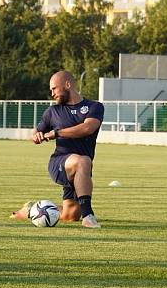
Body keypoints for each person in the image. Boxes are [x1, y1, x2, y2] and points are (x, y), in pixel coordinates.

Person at [12, 71, 104, 228]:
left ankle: (31, 210)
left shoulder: (94, 107)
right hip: (60, 162)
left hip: (80, 170)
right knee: (83, 160)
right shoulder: (52, 111)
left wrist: (57, 133)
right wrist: (36, 136)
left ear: (68, 85)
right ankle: (88, 216)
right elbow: (36, 132)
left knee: (70, 215)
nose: (52, 93)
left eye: (54, 88)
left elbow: (88, 128)